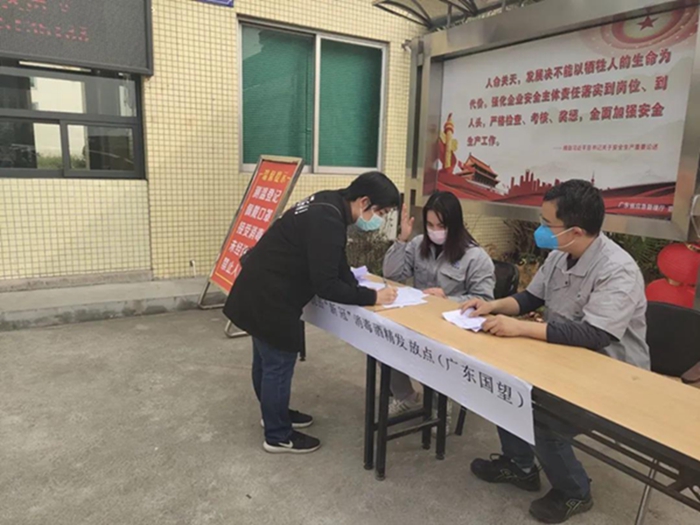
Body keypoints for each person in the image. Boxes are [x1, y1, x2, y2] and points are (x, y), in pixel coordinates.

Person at [461, 179, 649, 524]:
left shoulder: (618, 270)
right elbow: (531, 298)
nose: (542, 230)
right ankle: (520, 466)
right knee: (504, 386)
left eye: (548, 224)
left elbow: (595, 334)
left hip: (612, 374)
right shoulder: (561, 254)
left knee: (542, 416)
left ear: (575, 230)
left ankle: (575, 491)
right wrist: (492, 306)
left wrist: (520, 328)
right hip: (561, 359)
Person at [224, 171, 400, 455]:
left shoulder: (330, 203)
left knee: (266, 360)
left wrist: (354, 285)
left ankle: (273, 414)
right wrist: (372, 296)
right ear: (364, 201)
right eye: (380, 212)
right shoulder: (328, 219)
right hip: (271, 296)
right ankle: (278, 435)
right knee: (277, 363)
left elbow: (336, 257)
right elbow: (326, 285)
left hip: (259, 287)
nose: (378, 219)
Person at [383, 191, 495, 427]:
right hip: (419, 319)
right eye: (430, 225)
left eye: (441, 226)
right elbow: (392, 274)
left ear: (455, 224)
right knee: (384, 337)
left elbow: (484, 300)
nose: (435, 231)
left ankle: (440, 407)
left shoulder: (475, 257)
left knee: (436, 356)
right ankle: (406, 396)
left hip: (452, 328)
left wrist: (448, 299)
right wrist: (401, 239)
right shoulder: (418, 244)